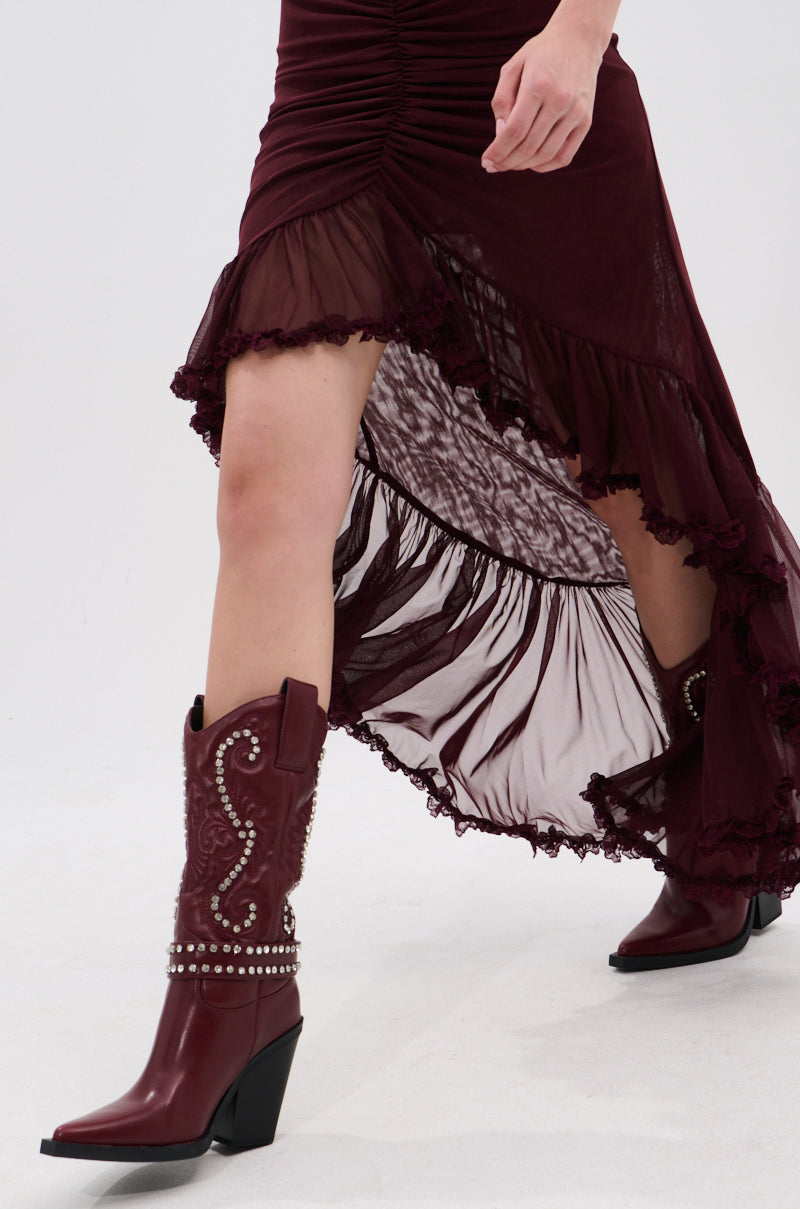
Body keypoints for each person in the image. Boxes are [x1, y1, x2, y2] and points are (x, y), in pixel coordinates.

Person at [40, 0, 800, 1163]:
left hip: (518, 62)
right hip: (337, 69)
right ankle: (227, 985)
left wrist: (580, 33)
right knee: (263, 484)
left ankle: (721, 820)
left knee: (628, 476)